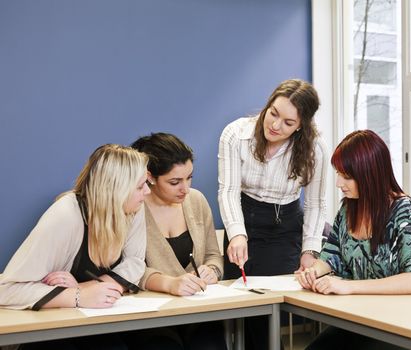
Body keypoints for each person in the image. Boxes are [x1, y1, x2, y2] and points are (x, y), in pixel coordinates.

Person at [0, 144, 150, 349]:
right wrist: (78, 296)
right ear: (117, 189)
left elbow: (135, 263)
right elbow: (7, 290)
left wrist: (86, 287)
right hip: (50, 327)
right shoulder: (65, 215)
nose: (148, 192)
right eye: (140, 186)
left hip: (94, 321)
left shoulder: (133, 208)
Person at [218, 78, 328, 349]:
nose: (276, 126)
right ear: (267, 106)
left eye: (288, 123)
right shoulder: (235, 134)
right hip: (244, 222)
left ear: (302, 125)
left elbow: (316, 203)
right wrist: (236, 234)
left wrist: (309, 251)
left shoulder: (315, 149)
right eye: (273, 114)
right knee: (237, 307)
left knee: (270, 310)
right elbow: (228, 190)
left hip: (285, 227)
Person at [296, 130, 411, 350]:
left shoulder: (403, 211)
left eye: (347, 176)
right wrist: (313, 272)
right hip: (362, 318)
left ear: (370, 174)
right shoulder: (348, 208)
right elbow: (332, 254)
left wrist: (349, 287)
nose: (339, 183)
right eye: (338, 173)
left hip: (402, 323)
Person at [128, 132, 226, 350]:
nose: (186, 188)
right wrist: (170, 284)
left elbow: (213, 254)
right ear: (150, 178)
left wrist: (212, 270)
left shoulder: (197, 201)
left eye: (189, 177)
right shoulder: (133, 208)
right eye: (175, 182)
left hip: (196, 312)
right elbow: (126, 268)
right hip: (150, 315)